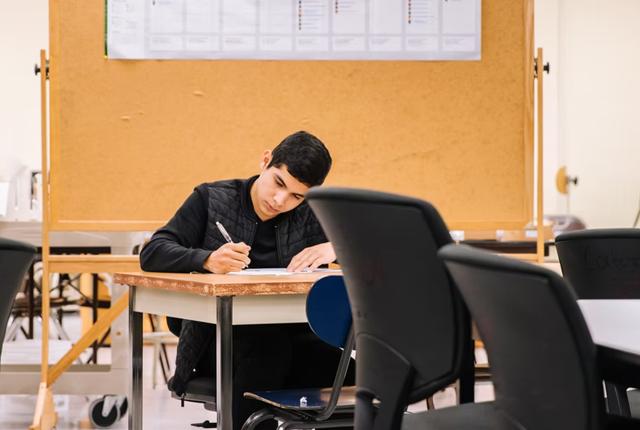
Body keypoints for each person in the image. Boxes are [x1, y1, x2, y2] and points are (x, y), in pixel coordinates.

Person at [140, 131, 353, 430]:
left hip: (294, 339)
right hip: (218, 341)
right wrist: (206, 260)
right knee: (268, 351)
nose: (280, 200)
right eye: (279, 183)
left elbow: (380, 252)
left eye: (296, 196)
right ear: (265, 161)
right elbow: (153, 252)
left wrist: (336, 248)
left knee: (357, 375)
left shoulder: (311, 213)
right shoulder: (211, 198)